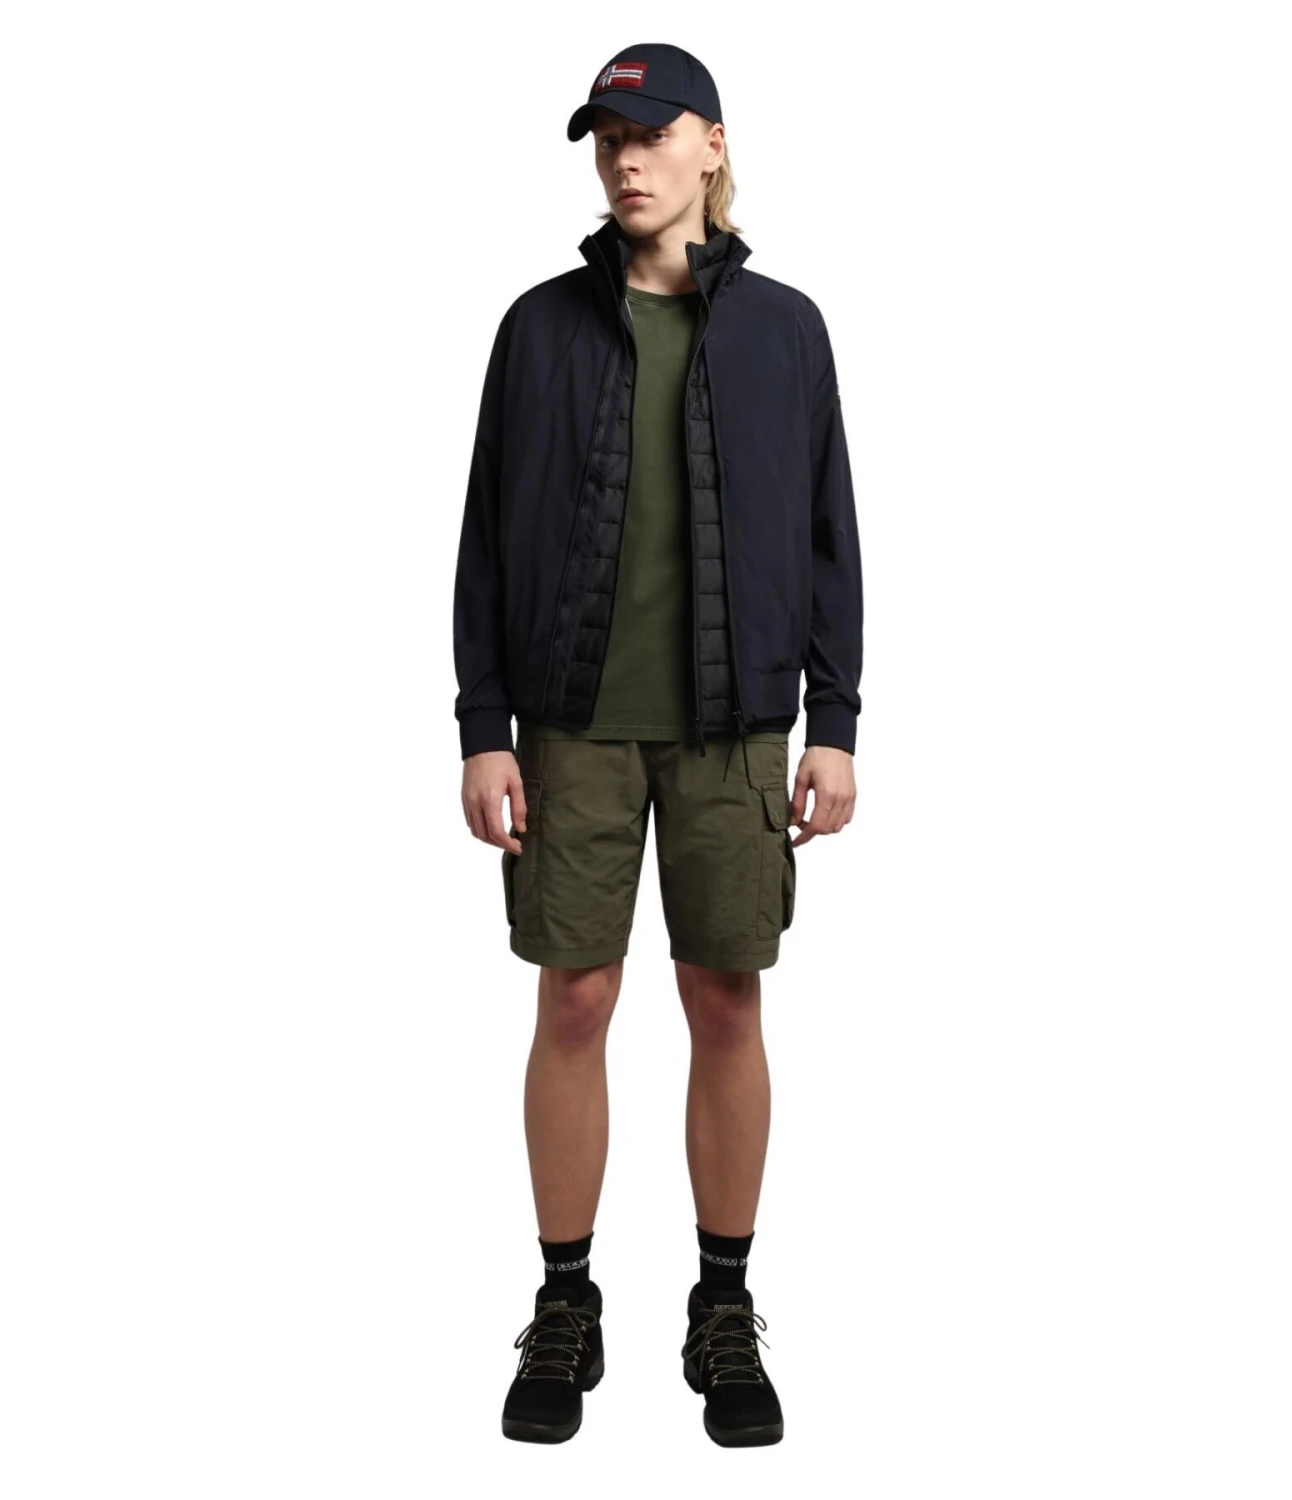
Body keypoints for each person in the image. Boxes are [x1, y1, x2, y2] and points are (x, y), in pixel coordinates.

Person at [452, 42, 863, 1448]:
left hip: (736, 726)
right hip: (571, 725)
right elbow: (482, 537)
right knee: (573, 1002)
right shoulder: (539, 328)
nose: (624, 159)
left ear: (711, 145)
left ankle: (723, 1304)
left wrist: (835, 724)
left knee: (726, 1001)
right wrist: (485, 728)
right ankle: (566, 1301)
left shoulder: (787, 331)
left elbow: (831, 531)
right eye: (605, 138)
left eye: (650, 133)